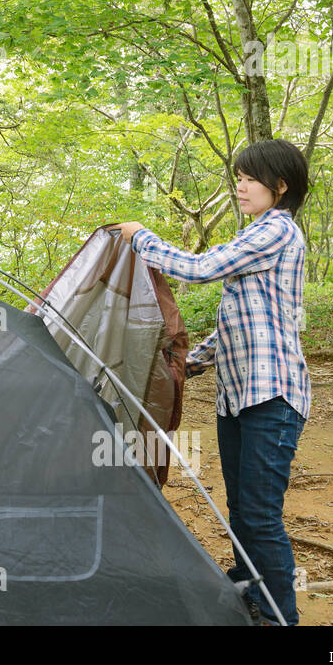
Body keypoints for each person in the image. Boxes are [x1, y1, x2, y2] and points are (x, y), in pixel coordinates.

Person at [115, 138, 311, 626]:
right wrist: (190, 362)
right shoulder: (257, 235)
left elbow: (200, 269)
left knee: (261, 514)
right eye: (238, 178)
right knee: (243, 509)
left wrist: (142, 238)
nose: (240, 187)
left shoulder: (276, 231)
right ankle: (249, 590)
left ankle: (277, 615)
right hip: (239, 397)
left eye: (250, 179)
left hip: (273, 395)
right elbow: (238, 326)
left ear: (280, 186)